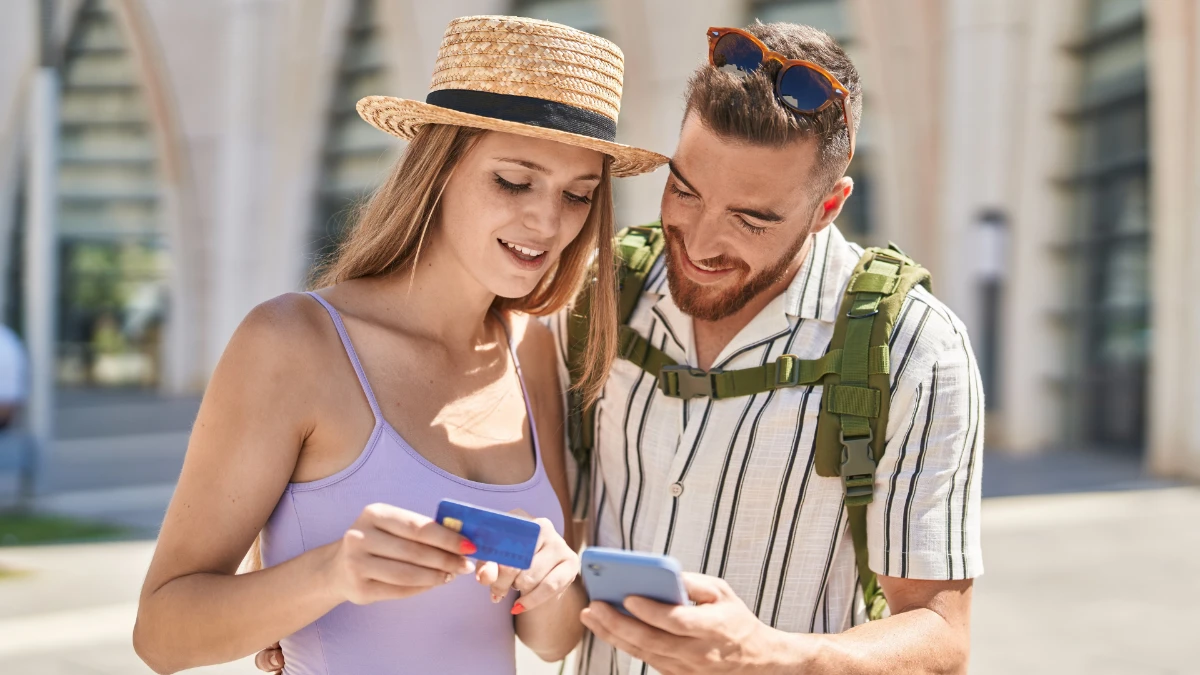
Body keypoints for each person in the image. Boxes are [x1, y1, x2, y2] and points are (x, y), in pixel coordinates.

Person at [259, 19, 984, 675]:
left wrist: (771, 655)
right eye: (686, 190)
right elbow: (537, 552)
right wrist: (300, 589)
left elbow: (942, 633)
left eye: (752, 219)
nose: (700, 242)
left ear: (828, 206)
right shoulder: (591, 300)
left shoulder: (913, 347)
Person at [133, 15, 667, 675]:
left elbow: (550, 641)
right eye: (514, 180)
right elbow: (161, 632)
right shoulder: (292, 344)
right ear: (438, 168)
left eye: (578, 195)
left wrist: (554, 580)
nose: (548, 221)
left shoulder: (531, 349)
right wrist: (329, 572)